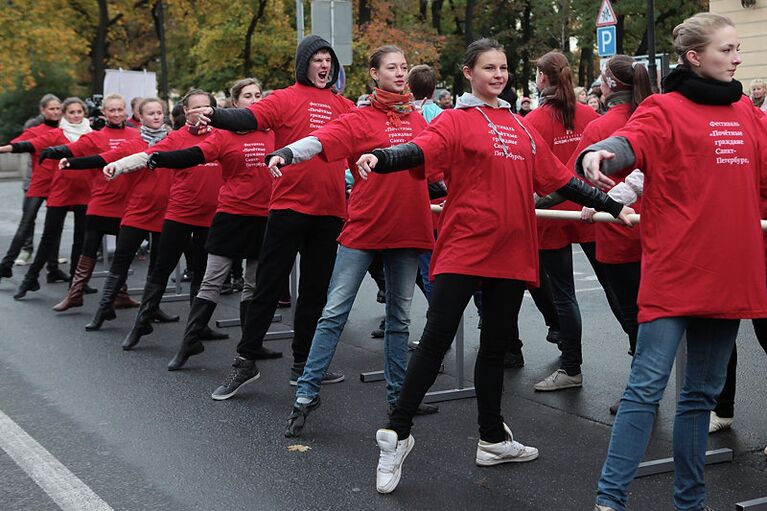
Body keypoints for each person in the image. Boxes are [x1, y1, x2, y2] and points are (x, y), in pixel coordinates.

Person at [354, 38, 633, 495]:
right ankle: (397, 433)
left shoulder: (522, 128)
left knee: (495, 345)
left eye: (503, 67)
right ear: (469, 73)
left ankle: (490, 438)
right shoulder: (455, 120)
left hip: (511, 250)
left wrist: (610, 205)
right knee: (436, 340)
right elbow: (420, 151)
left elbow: (561, 179)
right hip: (465, 246)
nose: (499, 74)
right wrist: (381, 158)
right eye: (489, 67)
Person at [576, 13, 767, 511]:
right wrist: (599, 153)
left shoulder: (747, 112)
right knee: (645, 389)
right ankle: (610, 501)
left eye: (736, 49)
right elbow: (627, 143)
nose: (737, 58)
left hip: (729, 273)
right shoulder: (663, 108)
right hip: (676, 271)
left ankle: (691, 501)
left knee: (699, 399)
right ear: (694, 57)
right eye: (726, 50)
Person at [265, 45, 438, 438]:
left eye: (404, 67)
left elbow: (444, 157)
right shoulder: (358, 118)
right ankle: (306, 395)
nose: (400, 72)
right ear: (374, 74)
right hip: (364, 226)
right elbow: (320, 140)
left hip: (408, 228)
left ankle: (398, 399)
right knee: (333, 313)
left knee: (399, 319)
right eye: (391, 67)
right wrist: (286, 153)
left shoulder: (421, 121)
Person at [185, 35, 354, 397]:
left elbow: (361, 150)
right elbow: (248, 116)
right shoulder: (283, 98)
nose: (324, 65)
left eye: (329, 60)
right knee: (267, 286)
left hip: (329, 211)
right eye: (317, 59)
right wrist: (215, 114)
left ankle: (303, 364)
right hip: (288, 207)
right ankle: (245, 362)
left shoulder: (345, 106)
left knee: (314, 291)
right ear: (304, 63)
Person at [115, 80, 277, 363]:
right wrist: (143, 162)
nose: (254, 100)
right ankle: (172, 336)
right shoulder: (221, 136)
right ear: (234, 104)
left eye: (257, 95)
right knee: (202, 278)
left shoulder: (273, 132)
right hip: (221, 214)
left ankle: (249, 346)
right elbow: (187, 155)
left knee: (250, 283)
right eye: (247, 96)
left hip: (258, 215)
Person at [525, 50, 625, 392]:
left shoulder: (533, 121)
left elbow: (530, 171)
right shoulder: (590, 115)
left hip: (552, 214)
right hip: (590, 210)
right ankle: (640, 356)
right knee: (614, 290)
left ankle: (571, 368)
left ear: (542, 78)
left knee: (564, 296)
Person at [56, 97, 182, 329]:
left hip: (167, 209)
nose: (156, 117)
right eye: (151, 113)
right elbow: (102, 159)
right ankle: (103, 310)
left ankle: (152, 308)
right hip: (137, 209)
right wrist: (71, 163)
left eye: (159, 113)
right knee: (121, 261)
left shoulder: (175, 141)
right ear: (140, 117)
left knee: (158, 264)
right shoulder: (133, 143)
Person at [573, 54, 653, 413]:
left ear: (608, 85)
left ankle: (640, 393)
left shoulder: (601, 127)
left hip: (619, 235)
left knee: (632, 317)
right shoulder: (652, 117)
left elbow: (570, 179)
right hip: (656, 233)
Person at [14, 93, 142, 303]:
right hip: (69, 190)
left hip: (97, 192)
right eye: (112, 110)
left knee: (89, 242)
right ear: (104, 112)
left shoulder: (122, 134)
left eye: (120, 109)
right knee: (52, 236)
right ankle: (33, 279)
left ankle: (111, 291)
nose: (117, 113)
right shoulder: (87, 135)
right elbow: (67, 149)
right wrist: (56, 152)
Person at [1, 98, 93, 295]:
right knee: (37, 229)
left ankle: (66, 277)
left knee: (73, 236)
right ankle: (17, 272)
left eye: (79, 112)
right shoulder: (50, 133)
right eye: (70, 112)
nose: (75, 115)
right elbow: (25, 143)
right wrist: (3, 148)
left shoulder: (92, 134)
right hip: (50, 186)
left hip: (77, 189)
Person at [0, 94, 69, 286]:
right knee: (26, 222)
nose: (55, 112)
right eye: (51, 109)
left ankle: (53, 269)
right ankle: (6, 265)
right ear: (43, 111)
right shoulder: (35, 130)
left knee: (54, 227)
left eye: (58, 109)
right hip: (39, 183)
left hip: (60, 184)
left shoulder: (68, 130)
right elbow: (17, 144)